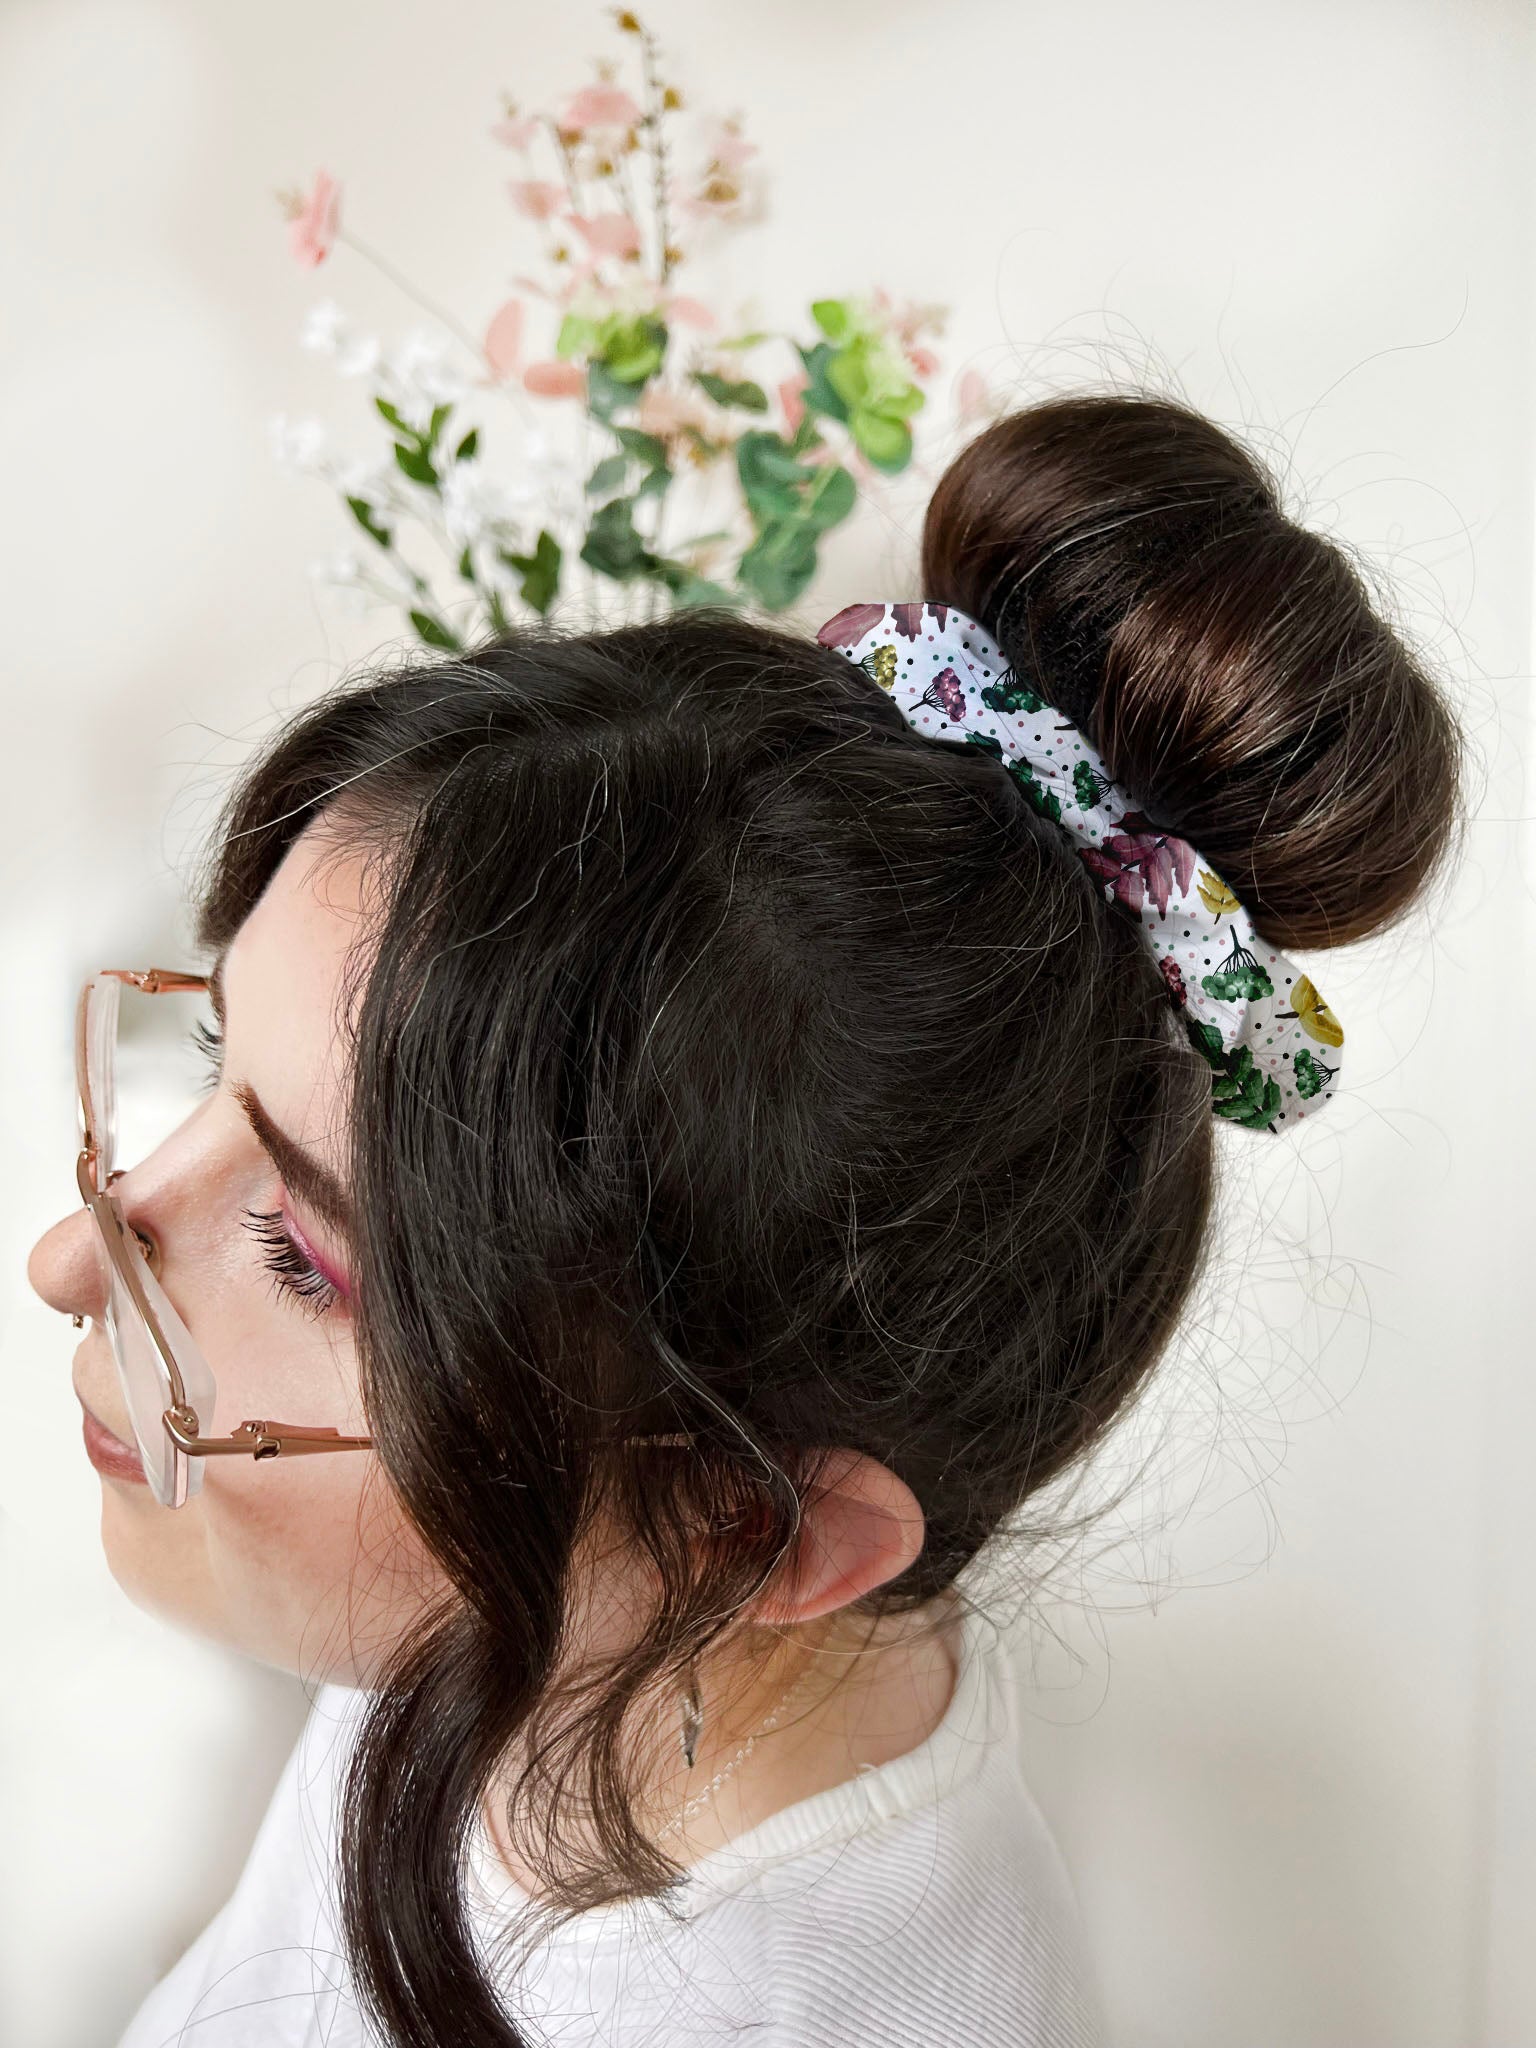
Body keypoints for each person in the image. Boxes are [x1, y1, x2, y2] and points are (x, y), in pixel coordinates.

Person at [28, 391, 1463, 2047]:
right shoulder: (563, 1634)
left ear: (747, 1525)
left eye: (297, 1252)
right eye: (214, 1060)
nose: (75, 1256)